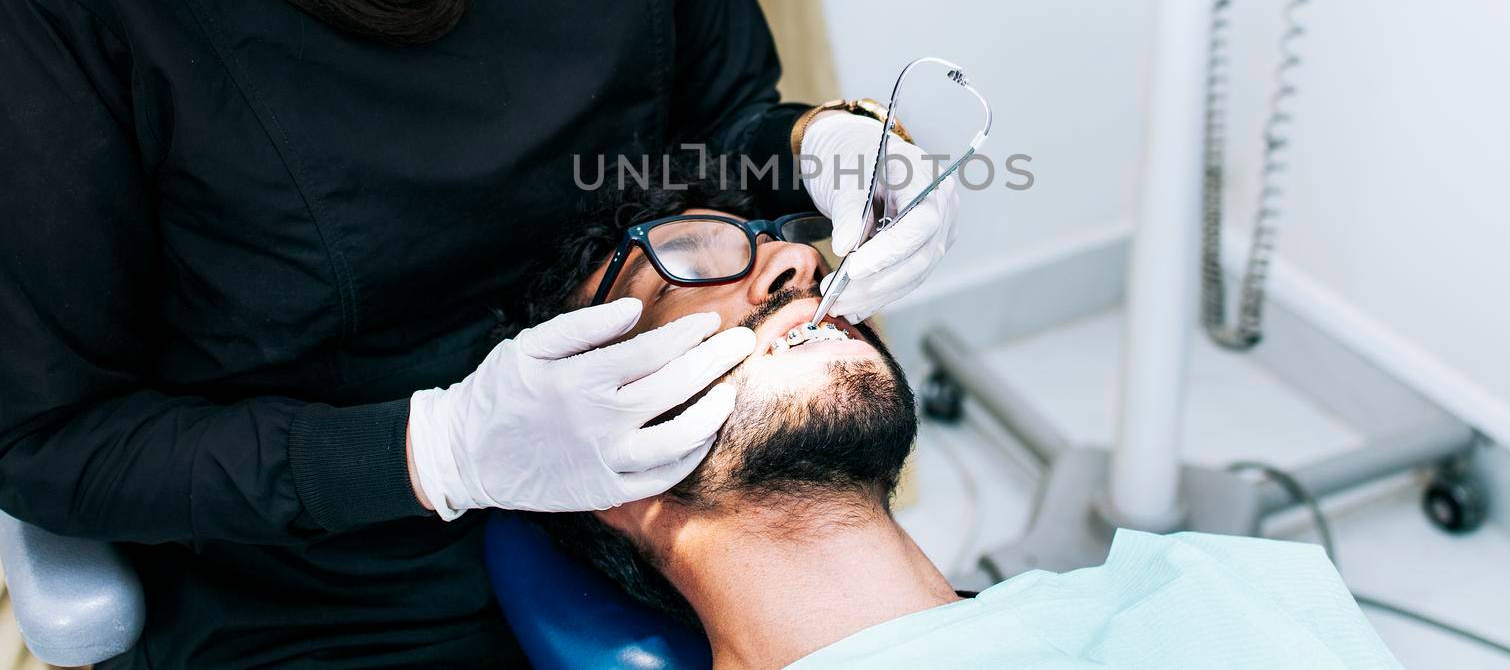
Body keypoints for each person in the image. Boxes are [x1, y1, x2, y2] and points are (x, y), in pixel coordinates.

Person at [0, 0, 957, 665]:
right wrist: (436, 451)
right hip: (336, 582)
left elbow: (716, 122)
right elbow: (51, 442)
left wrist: (824, 150)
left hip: (670, 488)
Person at [499, 171, 1406, 670]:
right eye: (690, 264)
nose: (789, 261)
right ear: (602, 464)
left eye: (781, 240)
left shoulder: (1200, 588)